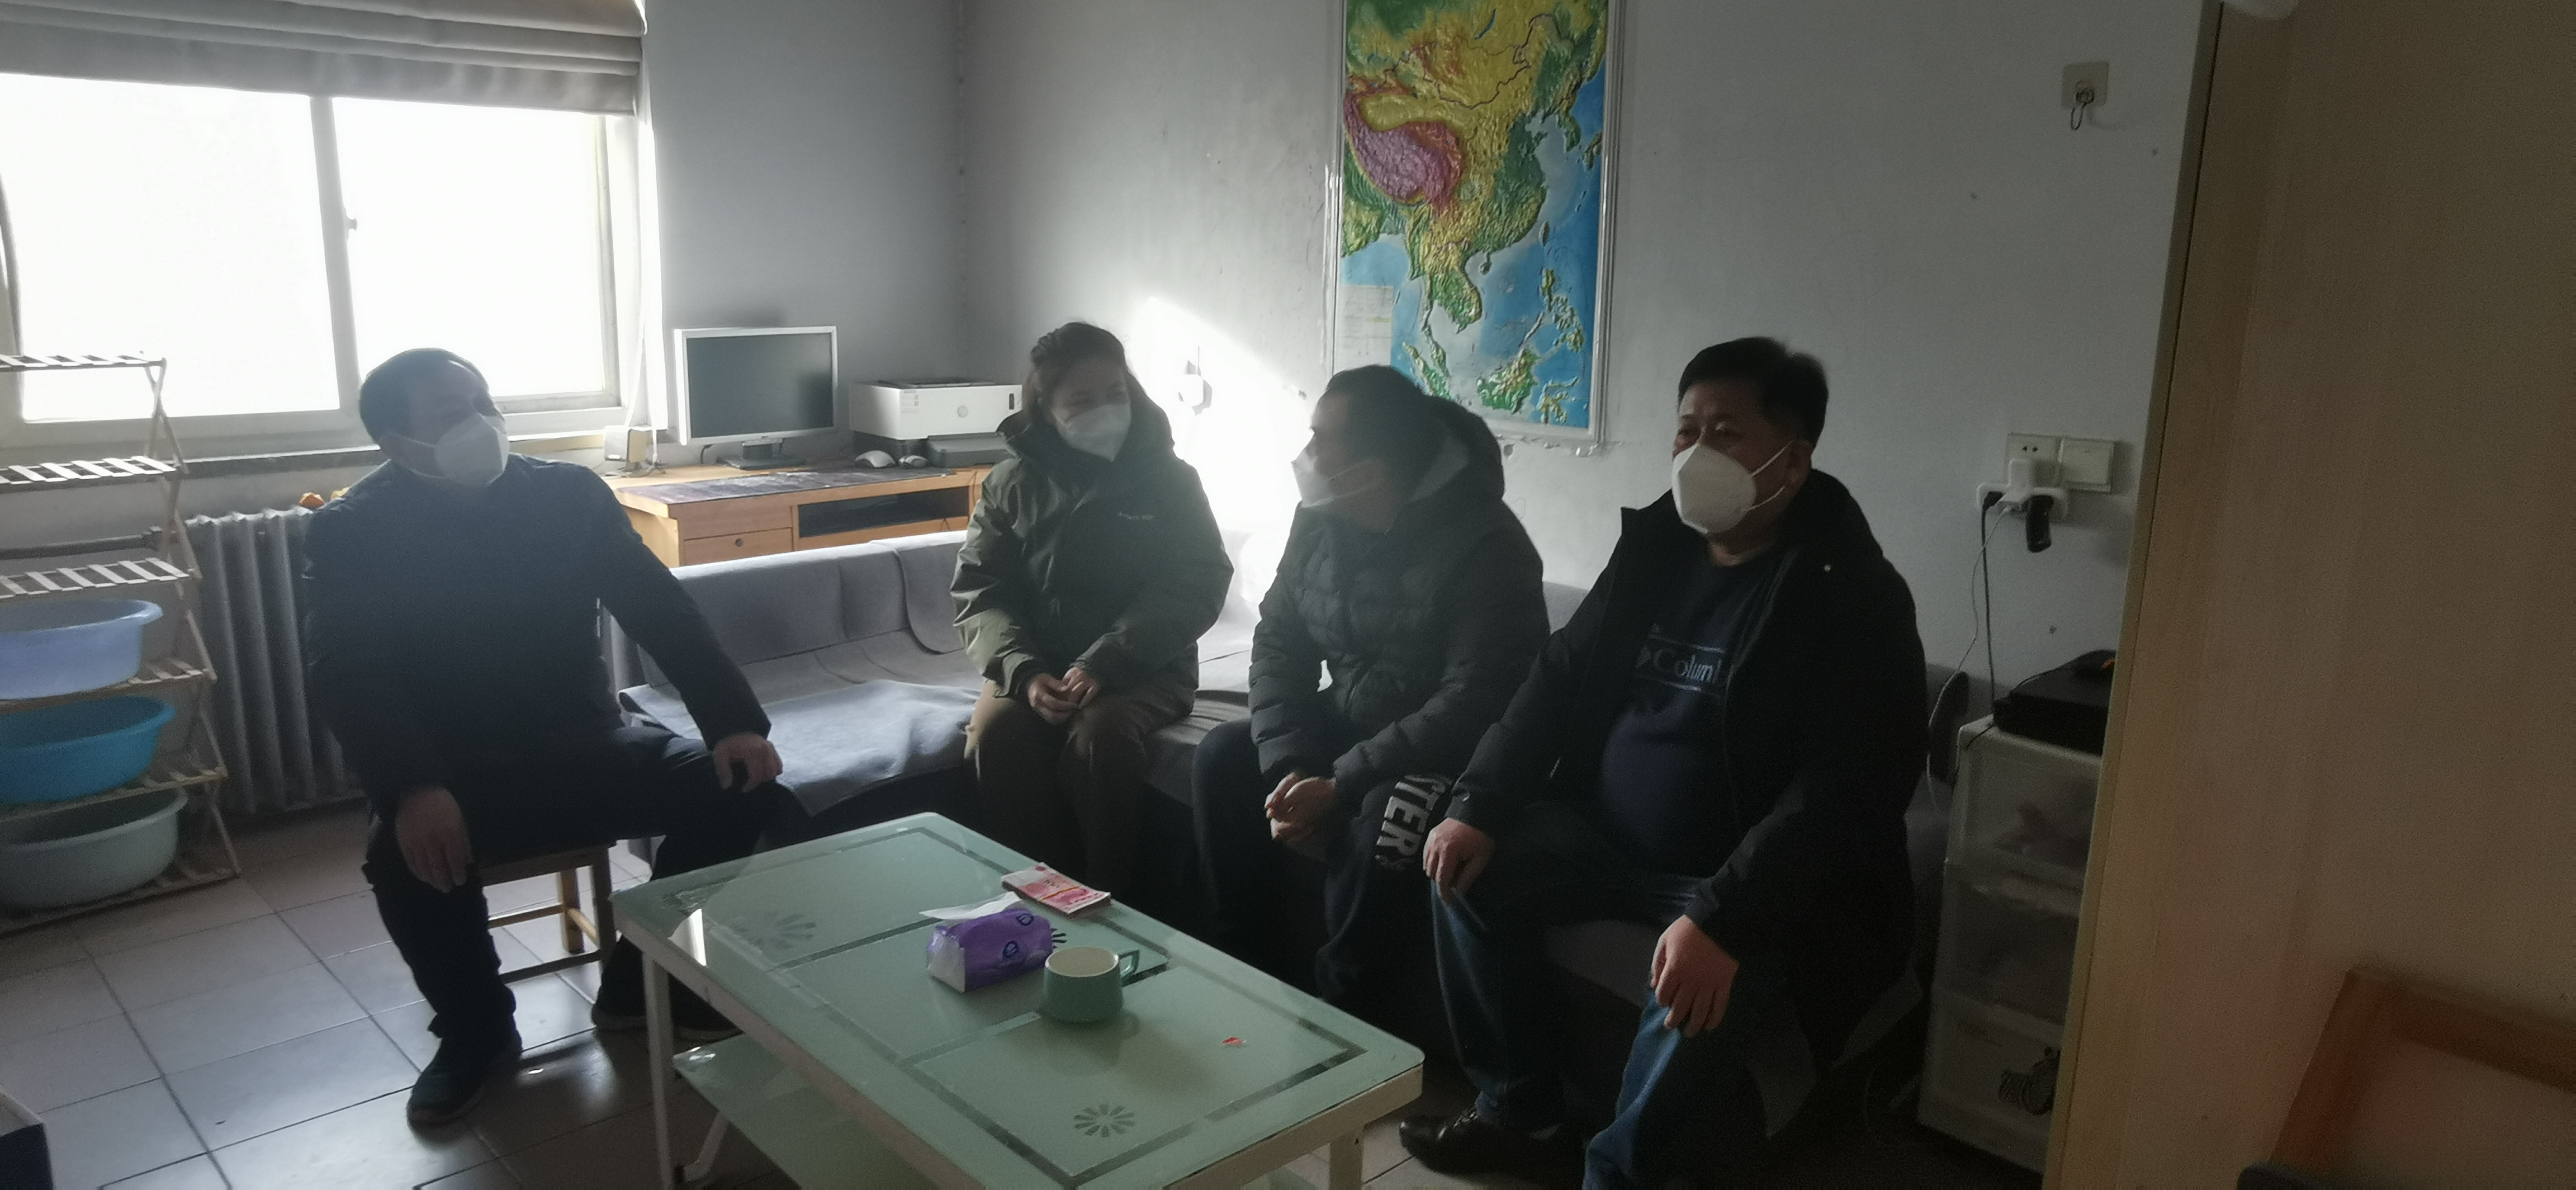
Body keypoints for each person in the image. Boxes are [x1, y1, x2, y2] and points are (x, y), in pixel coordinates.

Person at [1398, 338, 1927, 1186]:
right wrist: (1478, 803)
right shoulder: (1655, 551)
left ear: (1794, 460)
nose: (1696, 452)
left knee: (1704, 986)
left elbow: (1848, 789)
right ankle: (1520, 1114)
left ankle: (1618, 1178)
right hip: (1605, 837)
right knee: (1464, 872)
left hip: (1738, 872)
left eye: (1727, 431)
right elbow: (1556, 678)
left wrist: (1724, 917)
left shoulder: (1853, 594)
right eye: (1686, 430)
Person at [304, 349, 785, 1128]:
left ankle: (637, 979)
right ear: (396, 443)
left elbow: (660, 609)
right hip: (455, 767)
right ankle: (476, 1029)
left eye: (484, 402)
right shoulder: (354, 528)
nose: (481, 424)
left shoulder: (565, 493)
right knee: (400, 855)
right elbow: (348, 673)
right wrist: (414, 787)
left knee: (747, 786)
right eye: (452, 414)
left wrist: (733, 722)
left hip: (587, 740)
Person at [1191, 365, 1546, 1016]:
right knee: (1222, 757)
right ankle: (1244, 973)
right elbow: (1280, 641)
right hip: (1354, 723)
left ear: (1371, 471)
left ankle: (1345, 1020)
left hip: (1446, 754)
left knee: (1388, 822)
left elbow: (1477, 701)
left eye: (1321, 439)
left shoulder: (1489, 547)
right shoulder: (1320, 517)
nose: (1306, 454)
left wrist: (1343, 782)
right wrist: (1291, 766)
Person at [953, 322, 1230, 895]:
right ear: (1046, 408)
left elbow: (1197, 580)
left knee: (1101, 737)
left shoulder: (1171, 481)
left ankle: (1109, 900)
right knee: (996, 736)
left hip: (1145, 665)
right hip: (1036, 662)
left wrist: (1106, 662)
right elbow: (982, 590)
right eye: (1082, 400)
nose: (1104, 410)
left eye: (1115, 394)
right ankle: (1032, 896)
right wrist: (1023, 672)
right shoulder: (1010, 484)